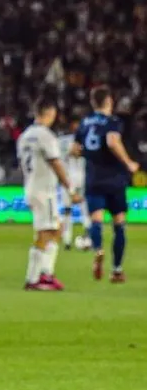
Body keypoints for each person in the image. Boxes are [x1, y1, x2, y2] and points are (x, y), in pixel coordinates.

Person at [73, 86, 139, 283]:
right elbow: (112, 142)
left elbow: (74, 150)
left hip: (93, 179)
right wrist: (128, 162)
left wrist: (90, 156)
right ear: (109, 101)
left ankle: (98, 248)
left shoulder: (84, 123)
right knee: (119, 224)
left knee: (96, 221)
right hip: (114, 179)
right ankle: (116, 270)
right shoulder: (113, 122)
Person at [16, 97, 79, 291]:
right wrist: (70, 188)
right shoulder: (46, 136)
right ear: (50, 114)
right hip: (45, 190)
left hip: (31, 187)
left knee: (55, 229)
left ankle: (45, 273)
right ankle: (35, 278)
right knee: (46, 232)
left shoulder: (25, 136)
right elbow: (56, 163)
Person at [58, 126, 91, 251]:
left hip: (82, 186)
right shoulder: (66, 160)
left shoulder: (85, 160)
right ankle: (67, 240)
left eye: (78, 148)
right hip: (68, 185)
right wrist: (71, 192)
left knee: (85, 209)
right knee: (67, 212)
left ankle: (88, 235)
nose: (76, 149)